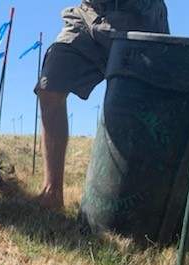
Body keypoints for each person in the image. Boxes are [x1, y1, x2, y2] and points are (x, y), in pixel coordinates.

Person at [36, 0, 169, 210]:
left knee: (158, 113)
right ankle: (52, 192)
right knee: (50, 86)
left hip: (140, 16)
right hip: (89, 13)